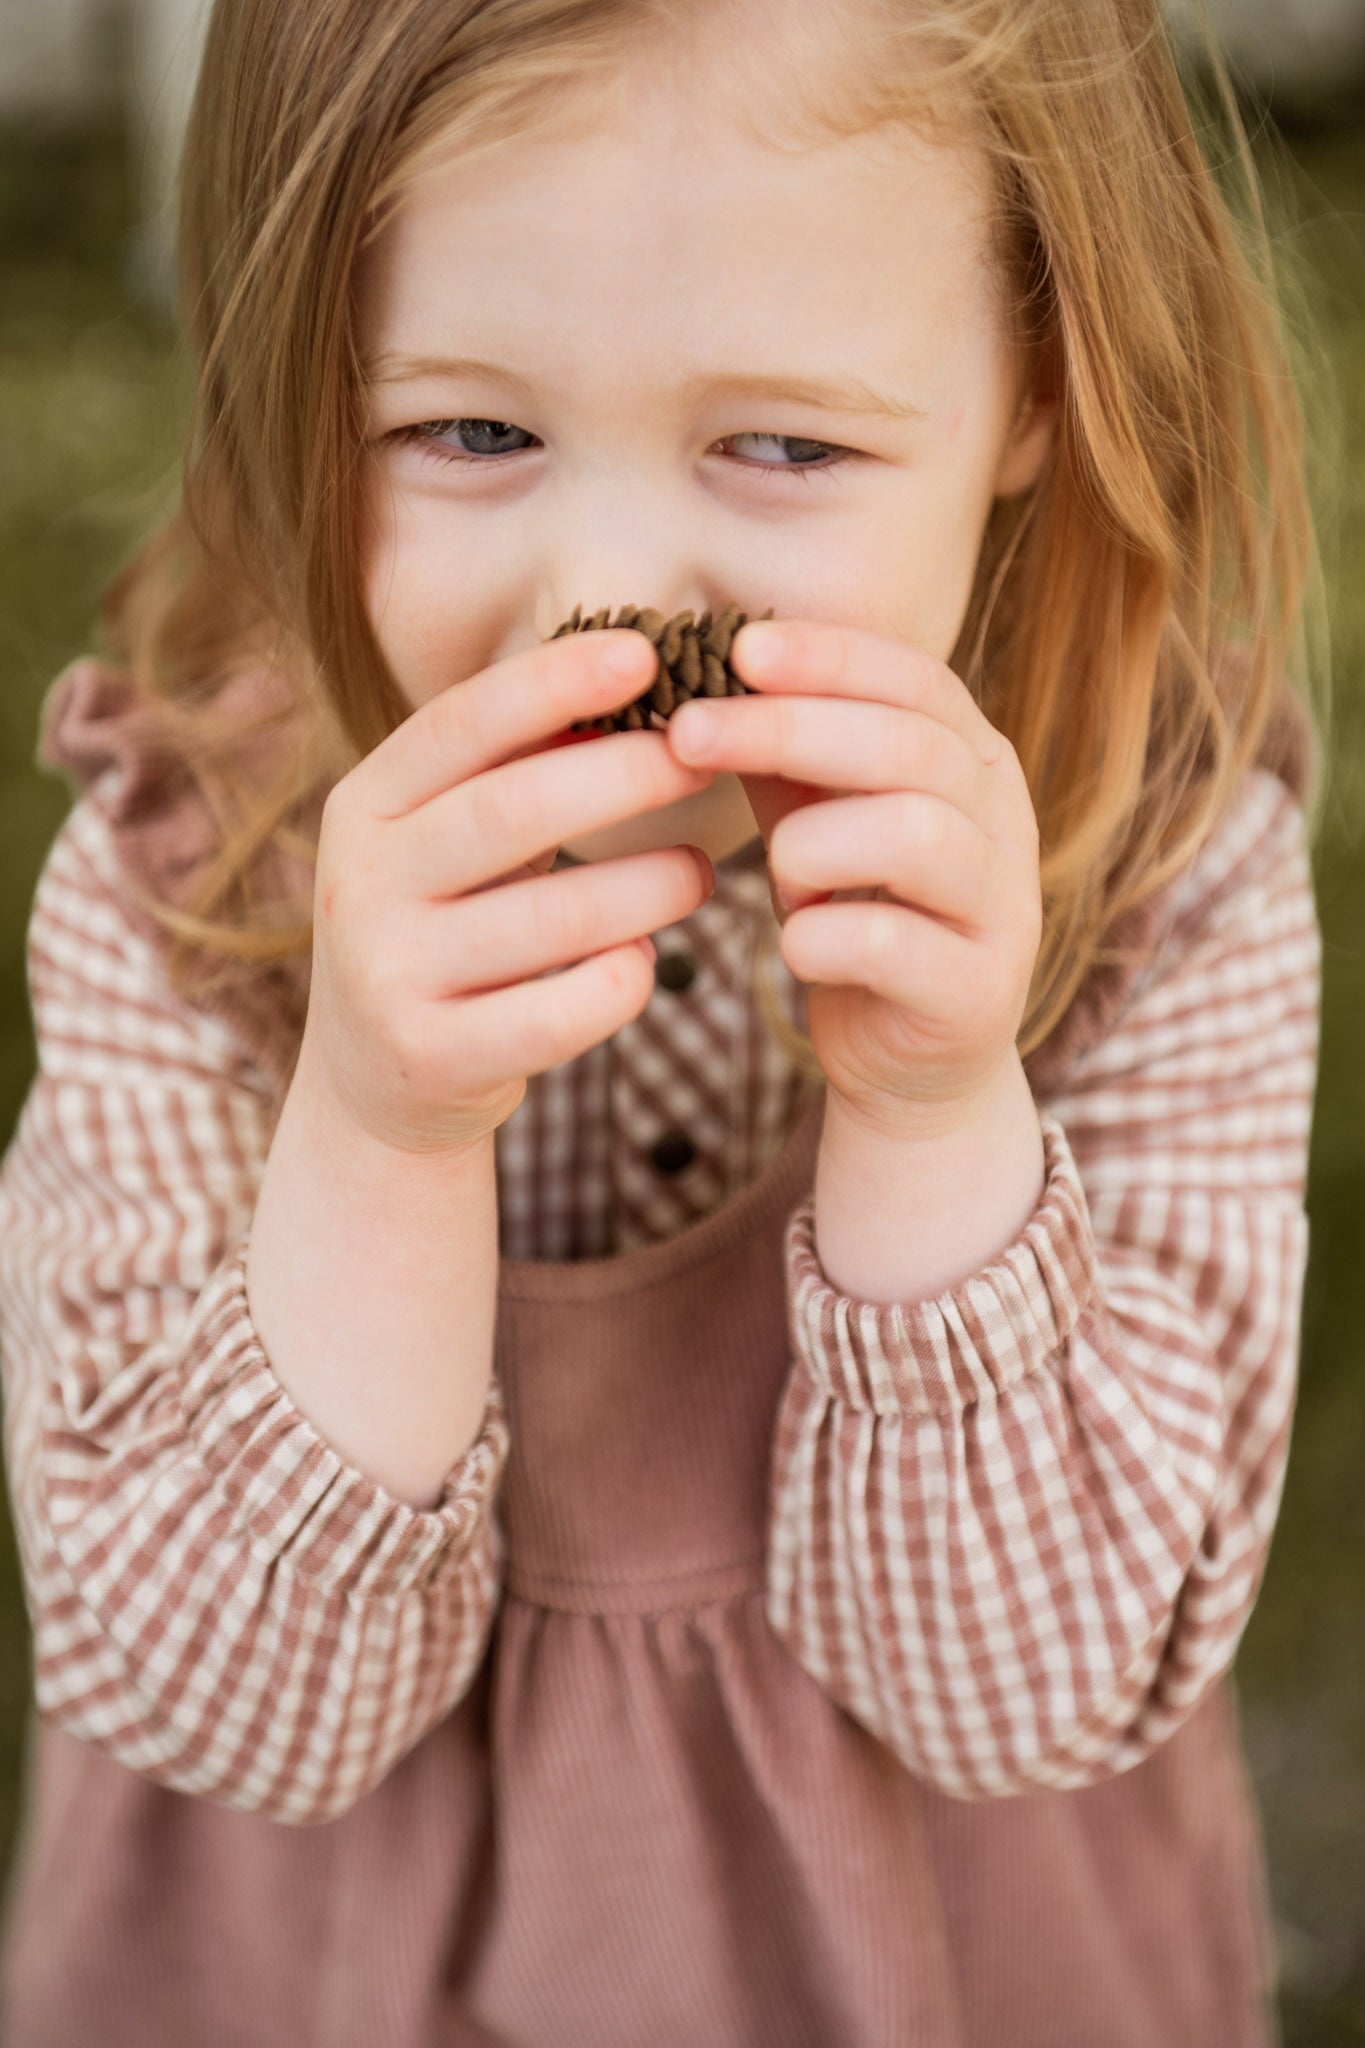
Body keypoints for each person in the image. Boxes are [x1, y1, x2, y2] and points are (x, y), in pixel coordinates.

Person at [0, 0, 1327, 2041]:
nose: (603, 597)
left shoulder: (1156, 887)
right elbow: (218, 1713)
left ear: (1036, 386)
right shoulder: (192, 900)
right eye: (470, 431)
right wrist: (374, 1132)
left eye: (781, 445)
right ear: (296, 374)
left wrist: (932, 1104)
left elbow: (1019, 1699)